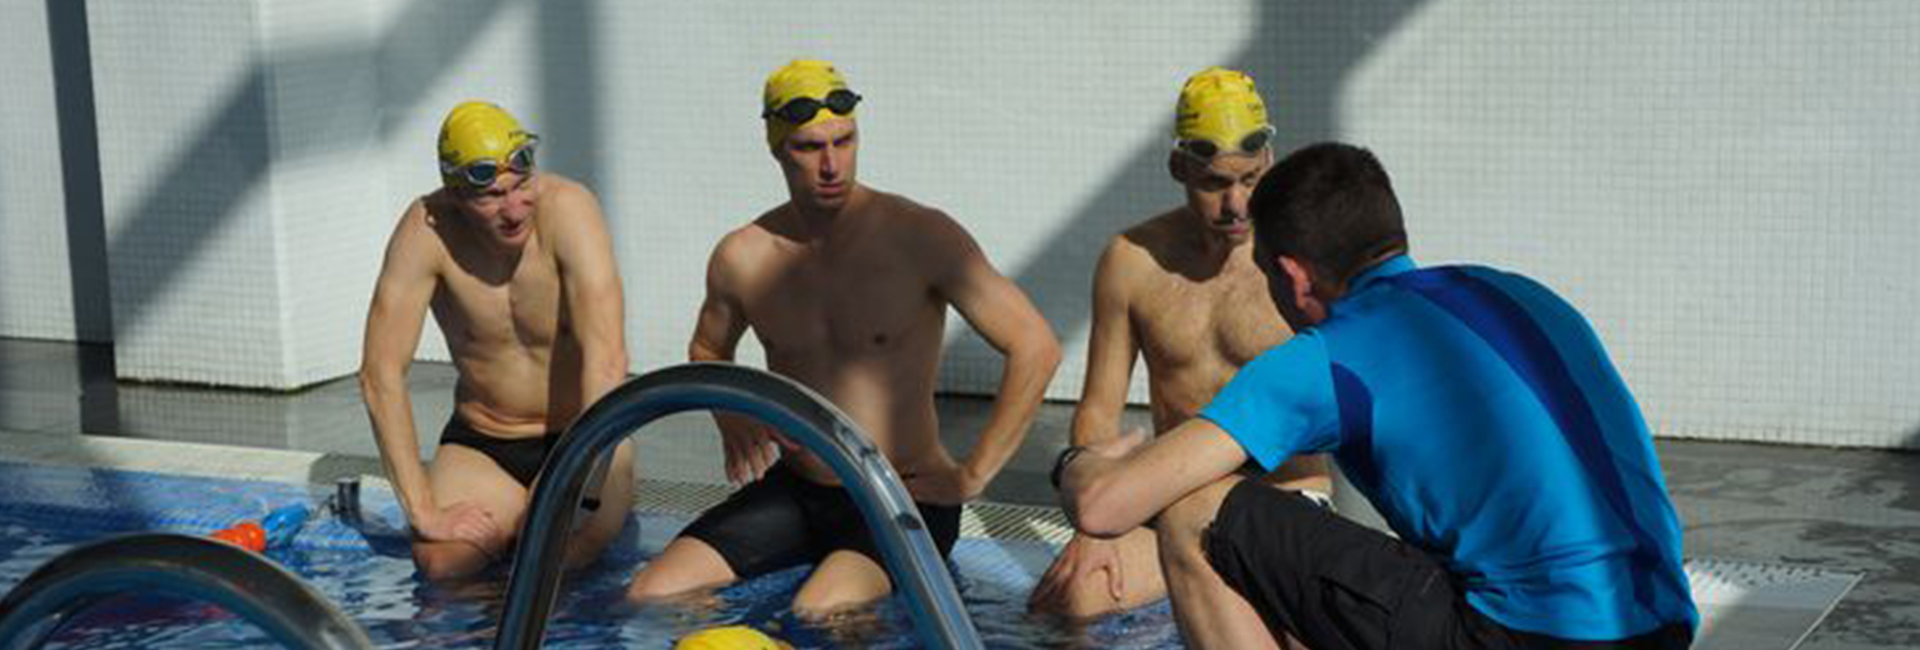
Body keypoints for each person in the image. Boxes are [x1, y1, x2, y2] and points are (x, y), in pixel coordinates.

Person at [1059, 143, 1698, 649]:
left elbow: (1105, 506)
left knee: (1197, 512)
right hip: (1661, 626)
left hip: (1521, 637)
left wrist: (1081, 463)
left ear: (1292, 276)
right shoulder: (1521, 294)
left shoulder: (1331, 354)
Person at [625, 61, 1062, 617]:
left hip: (902, 492)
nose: (831, 165)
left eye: (845, 141)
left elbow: (1036, 346)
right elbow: (709, 349)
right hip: (799, 489)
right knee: (649, 594)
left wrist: (973, 473)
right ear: (778, 149)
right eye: (810, 147)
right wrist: (731, 418)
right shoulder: (744, 256)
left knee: (818, 611)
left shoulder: (921, 237)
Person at [1028, 68, 1331, 620]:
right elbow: (1098, 412)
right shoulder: (1132, 261)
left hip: (1284, 501)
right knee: (1064, 603)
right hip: (1170, 500)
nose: (1235, 204)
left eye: (1250, 179)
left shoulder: (1300, 263)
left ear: (1270, 163)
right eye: (1214, 183)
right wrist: (1095, 525)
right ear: (1178, 168)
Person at [360, 101, 636, 581]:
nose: (514, 210)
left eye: (520, 187)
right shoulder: (426, 231)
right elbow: (379, 374)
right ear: (455, 195)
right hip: (485, 441)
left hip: (582, 437)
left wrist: (578, 485)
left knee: (549, 563)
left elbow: (607, 358)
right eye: (491, 197)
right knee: (441, 566)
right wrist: (421, 510)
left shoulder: (570, 211)